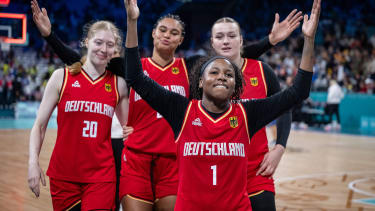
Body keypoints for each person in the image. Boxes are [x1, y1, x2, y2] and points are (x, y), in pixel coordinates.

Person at [31, 1, 301, 210]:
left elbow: (226, 58)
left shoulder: (190, 67)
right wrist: (50, 36)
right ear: (153, 33)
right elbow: (90, 61)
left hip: (173, 162)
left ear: (180, 40)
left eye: (175, 33)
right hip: (136, 158)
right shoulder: (134, 69)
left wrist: (270, 42)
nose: (168, 36)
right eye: (163, 30)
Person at [123, 0, 320, 210]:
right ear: (199, 80)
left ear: (236, 84)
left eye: (228, 74)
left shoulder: (247, 113)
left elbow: (298, 92)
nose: (221, 77)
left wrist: (308, 41)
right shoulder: (182, 110)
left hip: (242, 193)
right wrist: (132, 21)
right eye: (214, 72)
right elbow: (135, 76)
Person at [27, 18, 129, 210]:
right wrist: (33, 162)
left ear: (115, 50)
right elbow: (39, 126)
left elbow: (129, 131)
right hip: (63, 175)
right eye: (98, 42)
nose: (103, 49)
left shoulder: (118, 85)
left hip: (102, 176)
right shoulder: (61, 77)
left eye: (110, 45)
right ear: (86, 42)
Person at [210, 15, 300, 210]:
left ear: (241, 39)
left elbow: (284, 109)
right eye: (220, 37)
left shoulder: (262, 71)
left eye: (232, 35)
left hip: (257, 172)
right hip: (216, 172)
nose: (226, 41)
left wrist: (280, 147)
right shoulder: (203, 76)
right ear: (212, 42)